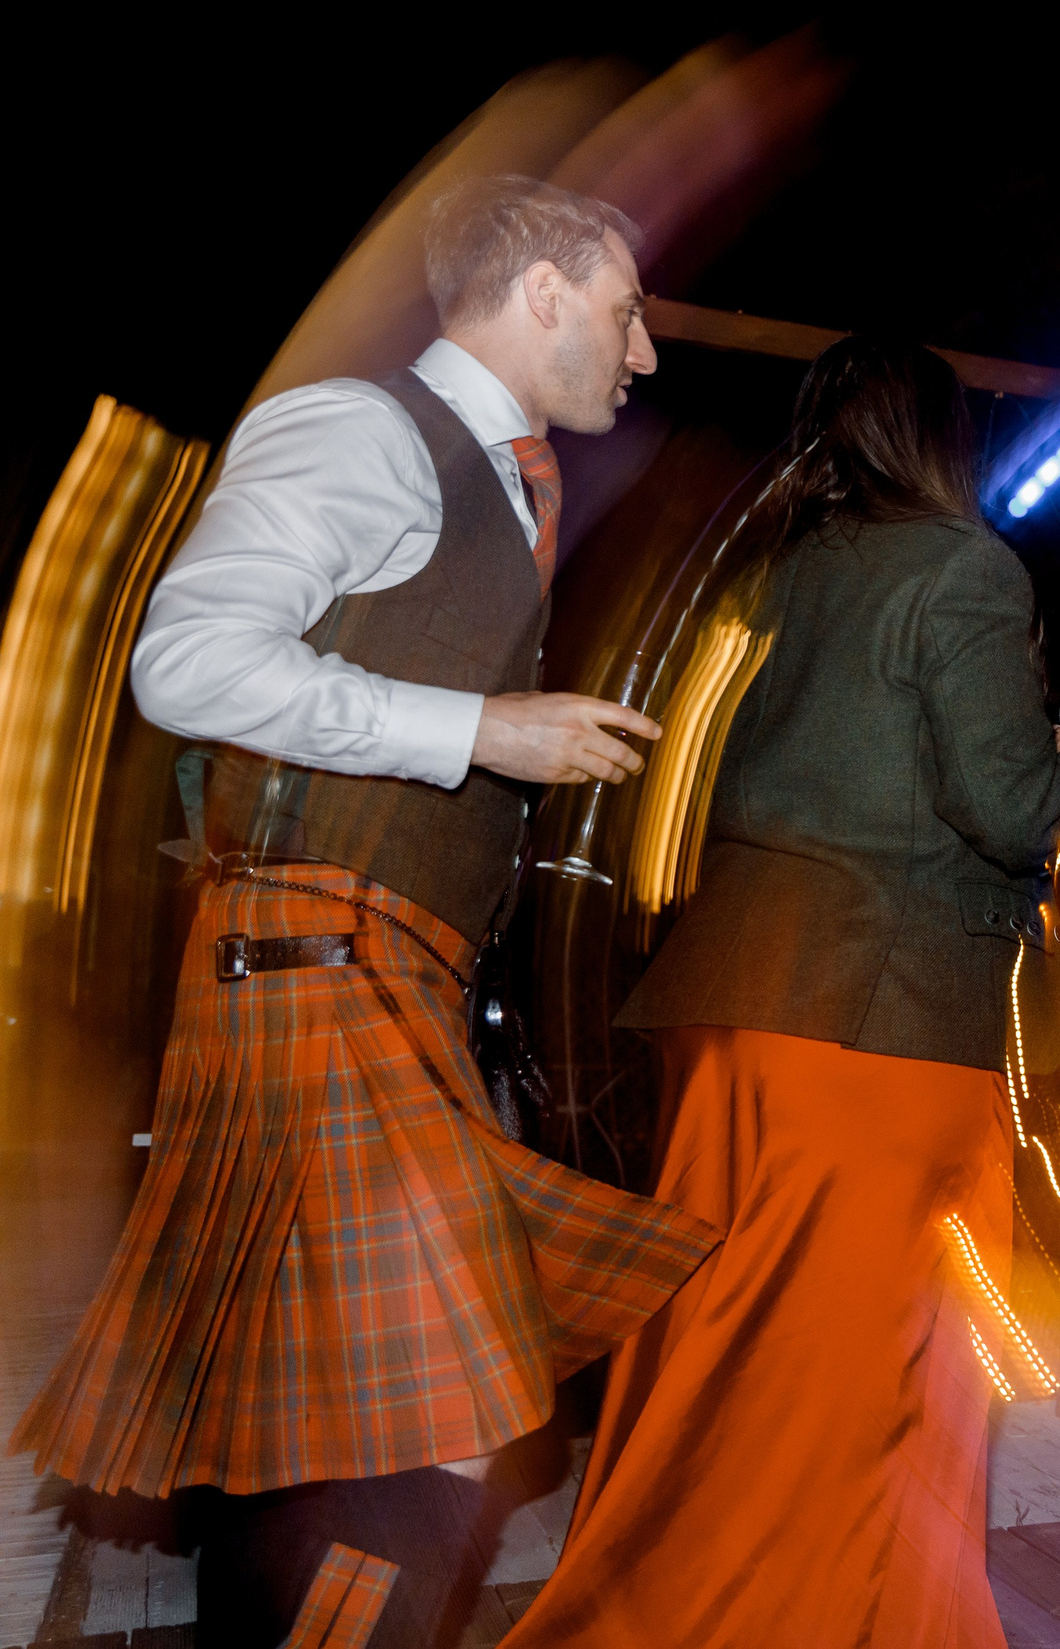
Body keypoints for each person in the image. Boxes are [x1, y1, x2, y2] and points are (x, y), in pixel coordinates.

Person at [10, 175, 723, 1648]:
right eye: (624, 310)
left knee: (321, 1422)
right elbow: (188, 660)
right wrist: (481, 728)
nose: (643, 350)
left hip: (375, 975)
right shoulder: (363, 430)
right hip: (309, 962)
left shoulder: (501, 478)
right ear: (541, 290)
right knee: (447, 1415)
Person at [502, 337, 1060, 1649]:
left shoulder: (783, 573)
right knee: (872, 1358)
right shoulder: (965, 567)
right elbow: (1003, 804)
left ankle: (676, 1602)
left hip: (734, 1004)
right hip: (876, 1019)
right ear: (942, 440)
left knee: (722, 1346)